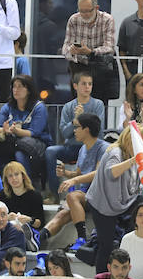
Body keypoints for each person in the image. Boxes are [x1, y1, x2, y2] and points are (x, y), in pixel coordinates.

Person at [85, 124, 143, 274]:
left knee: (142, 201)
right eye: (142, 141)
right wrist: (134, 160)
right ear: (131, 140)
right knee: (106, 245)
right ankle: (101, 277)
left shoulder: (132, 154)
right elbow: (111, 173)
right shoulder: (116, 152)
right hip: (102, 204)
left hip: (121, 201)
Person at [39, 112, 108, 250]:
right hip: (83, 195)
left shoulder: (104, 147)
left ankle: (82, 238)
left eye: (77, 127)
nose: (74, 130)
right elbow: (79, 173)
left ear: (86, 130)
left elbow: (98, 174)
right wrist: (66, 173)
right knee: (62, 214)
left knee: (72, 196)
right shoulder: (83, 148)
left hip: (98, 195)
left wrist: (74, 180)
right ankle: (38, 238)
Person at [45, 71, 105, 200]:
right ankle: (54, 193)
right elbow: (65, 133)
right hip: (72, 147)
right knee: (50, 151)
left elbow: (98, 131)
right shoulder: (68, 107)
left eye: (90, 84)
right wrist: (75, 120)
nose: (87, 87)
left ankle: (91, 195)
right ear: (75, 86)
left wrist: (81, 122)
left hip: (91, 148)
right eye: (84, 84)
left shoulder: (98, 104)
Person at [0, 74, 51, 182]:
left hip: (35, 144)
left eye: (20, 86)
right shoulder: (8, 107)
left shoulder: (39, 107)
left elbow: (34, 132)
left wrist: (15, 131)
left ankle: (26, 187)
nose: (16, 90)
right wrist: (4, 130)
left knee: (19, 154)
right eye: (14, 86)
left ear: (29, 90)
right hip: (13, 142)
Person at [61, 0, 119, 103]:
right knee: (78, 105)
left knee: (99, 104)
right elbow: (65, 48)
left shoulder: (107, 19)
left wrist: (91, 52)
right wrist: (71, 51)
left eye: (88, 11)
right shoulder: (74, 20)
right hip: (79, 67)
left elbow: (109, 47)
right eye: (81, 11)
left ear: (96, 8)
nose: (85, 14)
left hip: (100, 67)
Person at [0, 161, 45, 242]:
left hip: (27, 232)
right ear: (7, 179)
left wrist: (30, 220)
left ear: (23, 176)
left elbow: (40, 223)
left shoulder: (35, 195)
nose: (14, 178)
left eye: (16, 174)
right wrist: (6, 218)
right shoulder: (2, 195)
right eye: (10, 176)